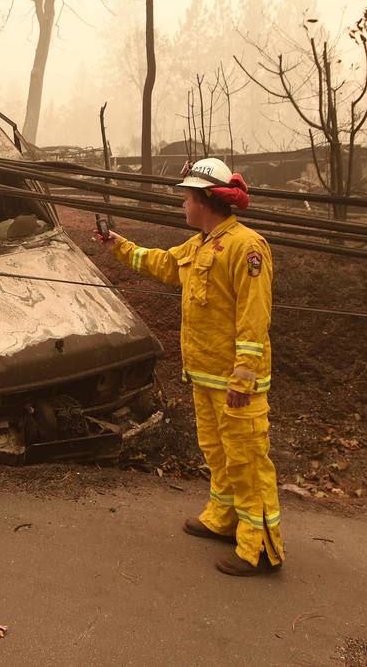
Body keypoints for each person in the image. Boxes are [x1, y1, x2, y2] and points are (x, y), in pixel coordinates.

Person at [99, 157, 284, 576]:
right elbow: (164, 264)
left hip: (235, 380)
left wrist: (245, 374)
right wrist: (118, 246)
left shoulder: (247, 247)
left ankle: (260, 548)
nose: (182, 204)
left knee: (247, 458)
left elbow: (254, 317)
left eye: (186, 197)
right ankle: (224, 517)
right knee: (217, 452)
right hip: (205, 374)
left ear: (206, 199)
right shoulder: (201, 243)